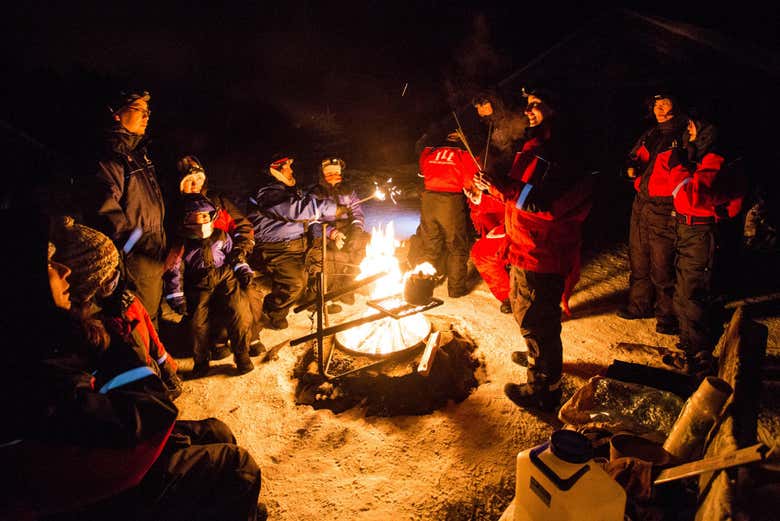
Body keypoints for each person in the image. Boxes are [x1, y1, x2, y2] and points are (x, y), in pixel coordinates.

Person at [0, 209, 266, 521]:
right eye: (48, 264)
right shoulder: (33, 364)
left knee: (215, 431)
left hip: (106, 457)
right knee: (237, 466)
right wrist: (114, 335)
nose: (63, 270)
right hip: (94, 491)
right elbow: (149, 411)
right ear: (24, 285)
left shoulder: (47, 336)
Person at [476, 88, 592, 412]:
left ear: (556, 108)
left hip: (543, 251)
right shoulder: (536, 145)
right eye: (527, 104)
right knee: (528, 311)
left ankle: (544, 387)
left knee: (538, 319)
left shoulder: (564, 152)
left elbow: (548, 204)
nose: (528, 110)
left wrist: (503, 187)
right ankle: (539, 360)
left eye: (536, 104)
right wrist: (494, 188)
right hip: (527, 244)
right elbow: (522, 195)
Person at [50, 215, 184, 400]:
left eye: (116, 272)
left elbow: (152, 339)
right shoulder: (90, 333)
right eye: (107, 278)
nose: (115, 281)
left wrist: (167, 369)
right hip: (137, 398)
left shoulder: (126, 301)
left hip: (151, 379)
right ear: (87, 284)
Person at [81, 89, 167, 329]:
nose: (147, 116)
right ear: (116, 115)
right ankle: (144, 365)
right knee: (136, 325)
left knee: (150, 319)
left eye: (148, 112)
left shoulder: (137, 155)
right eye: (139, 110)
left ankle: (155, 362)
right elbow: (104, 213)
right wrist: (138, 247)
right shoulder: (110, 157)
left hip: (149, 256)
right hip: (133, 262)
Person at [668, 119, 747, 378]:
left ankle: (701, 361)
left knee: (695, 295)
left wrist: (678, 167)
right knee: (684, 291)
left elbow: (689, 197)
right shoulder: (702, 157)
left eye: (692, 125)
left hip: (702, 233)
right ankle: (692, 349)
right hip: (690, 231)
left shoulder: (717, 160)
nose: (687, 130)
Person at [170, 155, 262, 360]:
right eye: (188, 181)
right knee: (205, 307)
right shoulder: (175, 209)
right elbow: (174, 248)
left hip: (226, 261)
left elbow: (243, 226)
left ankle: (251, 336)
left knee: (249, 295)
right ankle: (217, 340)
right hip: (196, 270)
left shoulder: (217, 201)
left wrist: (239, 252)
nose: (195, 185)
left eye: (199, 180)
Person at [164, 194, 260, 378]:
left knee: (239, 311)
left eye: (204, 216)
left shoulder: (220, 235)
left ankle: (242, 355)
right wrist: (176, 297)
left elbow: (233, 255)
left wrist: (242, 269)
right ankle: (201, 362)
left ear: (211, 216)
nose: (200, 221)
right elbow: (175, 270)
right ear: (186, 219)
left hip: (225, 277)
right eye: (195, 217)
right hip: (199, 283)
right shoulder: (182, 243)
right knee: (197, 323)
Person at [247, 154, 347, 329]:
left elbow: (305, 207)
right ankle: (272, 312)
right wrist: (330, 208)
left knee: (322, 263)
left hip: (298, 243)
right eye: (287, 167)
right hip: (276, 248)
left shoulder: (285, 189)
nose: (291, 170)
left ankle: (312, 301)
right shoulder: (267, 192)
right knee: (295, 283)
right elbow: (295, 210)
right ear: (274, 170)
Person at [618, 93, 690, 335]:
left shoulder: (683, 135)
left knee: (663, 264)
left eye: (665, 103)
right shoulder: (652, 134)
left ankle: (667, 316)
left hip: (666, 207)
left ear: (677, 105)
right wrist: (630, 168)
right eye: (655, 105)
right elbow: (634, 157)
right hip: (642, 203)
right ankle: (639, 305)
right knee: (639, 256)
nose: (659, 109)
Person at [306, 156, 371, 312]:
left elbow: (357, 213)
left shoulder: (348, 191)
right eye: (329, 173)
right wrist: (333, 234)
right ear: (322, 175)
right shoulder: (315, 194)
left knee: (362, 246)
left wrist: (356, 230)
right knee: (333, 256)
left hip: (347, 229)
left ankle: (346, 287)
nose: (334, 176)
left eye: (337, 172)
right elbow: (310, 222)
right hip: (324, 232)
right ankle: (322, 296)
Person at [416, 136, 479, 297]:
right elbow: (470, 180)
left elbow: (422, 172)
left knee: (430, 245)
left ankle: (423, 286)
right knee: (457, 246)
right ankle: (456, 289)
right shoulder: (463, 153)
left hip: (428, 199)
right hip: (450, 200)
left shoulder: (430, 150)